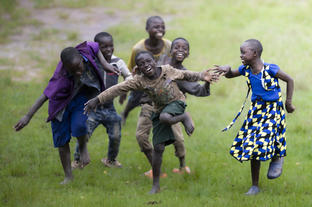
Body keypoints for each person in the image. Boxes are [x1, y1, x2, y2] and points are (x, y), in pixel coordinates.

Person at [84, 51, 218, 194]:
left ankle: (184, 117)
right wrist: (97, 100)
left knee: (165, 118)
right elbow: (117, 89)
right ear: (138, 68)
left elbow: (186, 74)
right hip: (160, 109)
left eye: (148, 61)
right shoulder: (140, 81)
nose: (146, 65)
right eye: (142, 64)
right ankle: (156, 185)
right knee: (158, 148)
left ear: (154, 61)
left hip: (176, 103)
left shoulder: (167, 70)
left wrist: (202, 75)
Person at [14, 41, 118, 184]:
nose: (78, 72)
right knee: (62, 142)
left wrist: (105, 64)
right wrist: (27, 116)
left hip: (80, 98)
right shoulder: (61, 78)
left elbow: (94, 45)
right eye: (72, 70)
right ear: (66, 68)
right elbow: (44, 96)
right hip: (60, 105)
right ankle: (68, 176)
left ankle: (82, 148)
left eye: (78, 67)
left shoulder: (85, 51)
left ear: (82, 59)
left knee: (80, 126)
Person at [214, 39, 295, 195]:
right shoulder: (246, 69)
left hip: (272, 110)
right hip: (256, 111)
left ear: (255, 53)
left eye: (243, 52)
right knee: (252, 147)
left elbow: (290, 80)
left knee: (266, 138)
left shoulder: (271, 69)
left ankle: (277, 157)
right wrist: (227, 70)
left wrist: (289, 102)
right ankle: (255, 186)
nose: (241, 55)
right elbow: (231, 75)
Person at [142, 37, 211, 175]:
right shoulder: (160, 62)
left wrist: (207, 81)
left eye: (184, 49)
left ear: (188, 54)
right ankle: (154, 168)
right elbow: (144, 71)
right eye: (177, 47)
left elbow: (201, 91)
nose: (180, 51)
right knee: (141, 137)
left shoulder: (184, 75)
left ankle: (182, 167)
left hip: (170, 110)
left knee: (178, 140)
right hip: (150, 106)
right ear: (170, 50)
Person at [72, 32, 132, 169]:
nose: (109, 49)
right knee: (84, 134)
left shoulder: (118, 62)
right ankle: (78, 160)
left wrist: (125, 88)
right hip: (92, 108)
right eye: (104, 47)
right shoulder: (91, 62)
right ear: (97, 49)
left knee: (116, 134)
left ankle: (111, 160)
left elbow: (129, 77)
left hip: (109, 108)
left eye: (111, 46)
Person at [121, 15, 171, 125]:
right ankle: (124, 113)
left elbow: (173, 66)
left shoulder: (168, 45)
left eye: (162, 27)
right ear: (147, 29)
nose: (160, 30)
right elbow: (130, 70)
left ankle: (158, 121)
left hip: (160, 81)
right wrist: (124, 90)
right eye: (156, 27)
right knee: (134, 100)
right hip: (142, 79)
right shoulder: (138, 48)